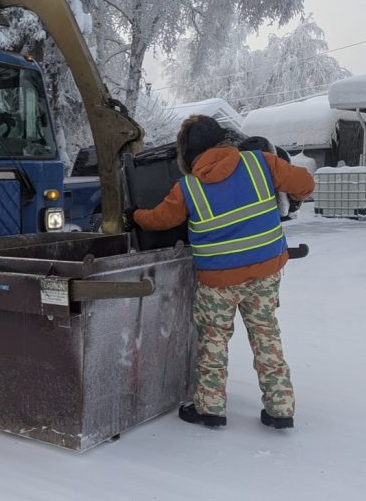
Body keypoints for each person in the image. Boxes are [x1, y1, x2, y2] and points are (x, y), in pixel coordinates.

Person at [124, 115, 314, 429]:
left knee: (213, 342)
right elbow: (305, 185)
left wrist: (135, 215)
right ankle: (280, 409)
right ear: (224, 142)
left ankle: (210, 409)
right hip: (265, 274)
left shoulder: (188, 187)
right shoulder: (260, 163)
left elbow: (160, 220)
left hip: (217, 283)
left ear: (186, 155)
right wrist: (291, 195)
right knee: (266, 337)